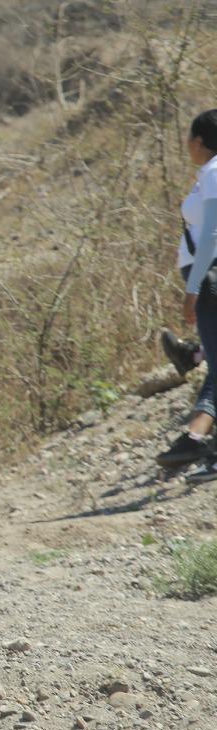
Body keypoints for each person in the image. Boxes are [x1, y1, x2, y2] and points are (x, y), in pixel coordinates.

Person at [158, 110, 217, 482]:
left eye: (188, 139)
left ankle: (195, 440)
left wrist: (192, 289)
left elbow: (210, 233)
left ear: (198, 141)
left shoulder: (212, 173)